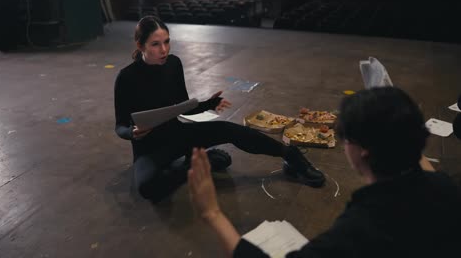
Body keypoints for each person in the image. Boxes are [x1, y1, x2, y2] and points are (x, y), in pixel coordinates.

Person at [188, 87, 461, 257]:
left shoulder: (361, 229)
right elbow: (425, 170)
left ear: (361, 151)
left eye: (346, 140)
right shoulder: (446, 188)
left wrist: (212, 213)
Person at [114, 16, 325, 203]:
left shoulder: (173, 64)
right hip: (149, 149)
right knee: (148, 189)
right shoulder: (126, 78)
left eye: (167, 42)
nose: (164, 50)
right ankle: (197, 166)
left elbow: (182, 107)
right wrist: (131, 132)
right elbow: (120, 126)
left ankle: (291, 155)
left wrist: (208, 104)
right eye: (155, 44)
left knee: (228, 129)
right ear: (140, 45)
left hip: (177, 135)